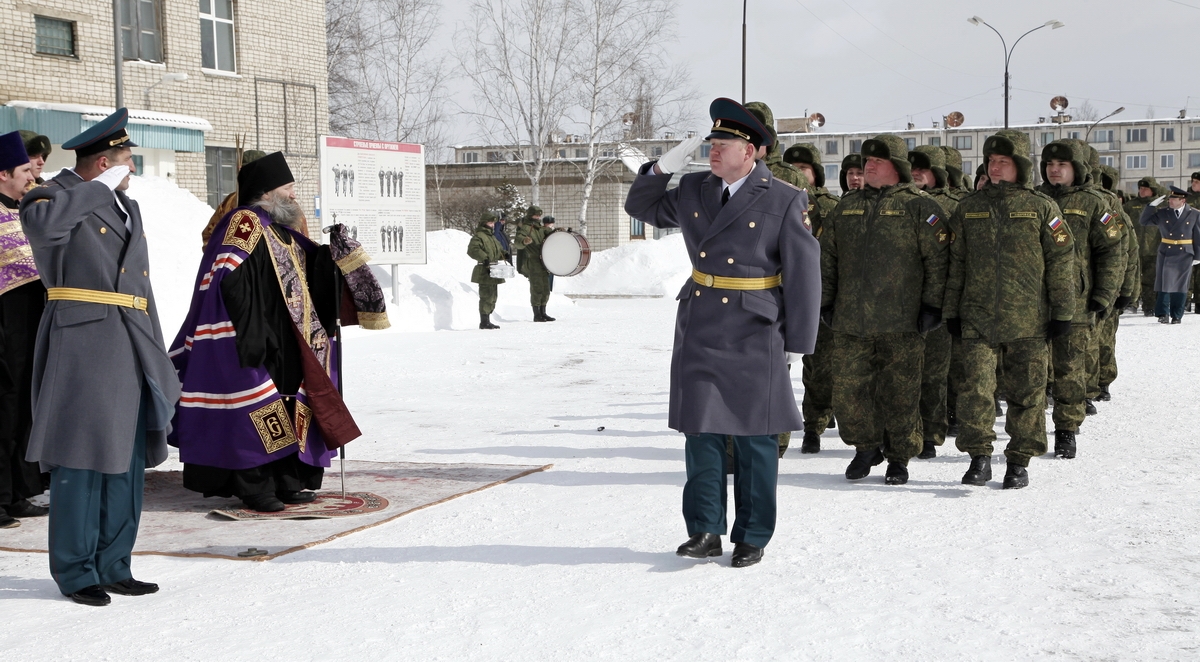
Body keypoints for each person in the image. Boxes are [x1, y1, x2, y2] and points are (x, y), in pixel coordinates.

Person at [624, 98, 820, 568]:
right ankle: (705, 529)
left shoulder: (783, 197)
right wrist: (663, 166)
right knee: (702, 433)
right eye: (711, 142)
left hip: (756, 326)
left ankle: (752, 535)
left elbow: (803, 272)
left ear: (750, 151)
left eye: (724, 143)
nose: (713, 150)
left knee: (755, 439)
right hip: (702, 319)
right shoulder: (694, 189)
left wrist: (798, 342)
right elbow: (641, 205)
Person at [20, 109, 182, 605]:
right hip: (84, 343)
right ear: (100, 164)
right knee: (81, 460)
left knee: (126, 462)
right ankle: (75, 570)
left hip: (130, 340)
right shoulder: (49, 196)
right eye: (124, 163)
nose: (129, 172)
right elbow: (45, 230)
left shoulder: (127, 208)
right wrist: (95, 190)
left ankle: (115, 563)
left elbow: (140, 287)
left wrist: (155, 348)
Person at [171, 152, 361, 513]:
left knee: (290, 402)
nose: (293, 195)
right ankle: (254, 485)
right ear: (268, 192)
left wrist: (332, 257)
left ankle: (287, 479)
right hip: (256, 334)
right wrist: (250, 326)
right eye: (288, 188)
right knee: (257, 410)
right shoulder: (244, 221)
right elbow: (227, 275)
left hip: (290, 335)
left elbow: (304, 268)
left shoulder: (278, 226)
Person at [943, 130, 1075, 489]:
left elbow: (1062, 261)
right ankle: (979, 458)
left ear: (1019, 166)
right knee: (975, 391)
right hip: (977, 317)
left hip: (1029, 320)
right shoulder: (968, 208)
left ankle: (1018, 460)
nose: (996, 167)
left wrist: (1063, 311)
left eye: (1004, 161)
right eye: (991, 161)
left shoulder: (1042, 207)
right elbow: (956, 264)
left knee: (1028, 392)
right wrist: (951, 310)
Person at [821, 134, 948, 485]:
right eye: (866, 161)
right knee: (847, 391)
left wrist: (932, 306)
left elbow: (938, 261)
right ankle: (866, 446)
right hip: (850, 319)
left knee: (901, 393)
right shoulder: (845, 208)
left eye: (877, 160)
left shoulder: (920, 207)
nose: (868, 166)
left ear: (898, 166)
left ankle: (899, 457)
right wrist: (826, 301)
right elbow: (826, 259)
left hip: (902, 321)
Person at [1036, 140, 1124, 456]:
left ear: (1077, 168)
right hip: (1032, 302)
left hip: (1076, 301)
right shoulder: (1034, 199)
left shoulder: (1094, 203)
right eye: (1049, 164)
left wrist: (1104, 294)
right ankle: (1029, 432)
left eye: (1062, 164)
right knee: (1033, 370)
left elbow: (1113, 250)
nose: (1054, 169)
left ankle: (1066, 428)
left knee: (1070, 369)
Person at [783, 143, 841, 454]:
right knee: (776, 370)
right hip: (779, 296)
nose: (797, 174)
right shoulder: (775, 200)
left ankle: (814, 426)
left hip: (818, 296)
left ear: (815, 175)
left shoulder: (829, 208)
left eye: (803, 169)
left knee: (820, 370)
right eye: (792, 168)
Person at [0, 132, 45, 529]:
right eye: (23, 171)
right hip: (3, 332)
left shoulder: (20, 211)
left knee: (20, 413)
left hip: (28, 329)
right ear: (2, 174)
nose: (30, 178)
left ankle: (17, 492)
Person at [908, 145, 963, 459]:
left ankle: (930, 433)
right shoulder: (902, 202)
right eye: (913, 168)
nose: (917, 174)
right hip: (901, 301)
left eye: (924, 169)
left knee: (934, 373)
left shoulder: (956, 206)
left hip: (940, 301)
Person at [1140, 186, 1200, 324]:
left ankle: (1177, 315)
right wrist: (1151, 206)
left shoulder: (1194, 214)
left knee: (1181, 285)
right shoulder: (1163, 212)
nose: (1170, 201)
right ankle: (1163, 314)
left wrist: (1198, 255)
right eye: (1170, 198)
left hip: (1185, 252)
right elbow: (1144, 221)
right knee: (1164, 283)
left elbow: (1198, 235)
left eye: (1174, 199)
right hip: (1167, 250)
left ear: (1182, 200)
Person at [1125, 177, 1167, 315]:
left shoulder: (1160, 206)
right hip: (1134, 248)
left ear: (1152, 190)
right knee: (1133, 277)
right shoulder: (1130, 205)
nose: (1142, 191)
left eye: (1145, 188)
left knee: (1151, 280)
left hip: (1154, 248)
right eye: (1140, 188)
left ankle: (1149, 306)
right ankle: (1132, 303)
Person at [469, 211, 508, 329]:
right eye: (490, 222)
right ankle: (484, 321)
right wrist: (484, 258)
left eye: (493, 223)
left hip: (494, 269)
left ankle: (488, 319)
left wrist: (505, 254)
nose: (492, 225)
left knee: (493, 296)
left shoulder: (491, 237)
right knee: (486, 295)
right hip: (484, 269)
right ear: (484, 223)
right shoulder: (479, 236)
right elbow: (472, 250)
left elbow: (499, 249)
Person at [516, 208, 556, 322]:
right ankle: (536, 314)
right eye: (535, 216)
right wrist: (524, 241)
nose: (537, 218)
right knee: (537, 288)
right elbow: (518, 241)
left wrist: (557, 231)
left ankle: (543, 312)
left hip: (544, 261)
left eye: (539, 216)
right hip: (533, 262)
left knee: (545, 288)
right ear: (530, 215)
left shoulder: (541, 229)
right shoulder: (526, 228)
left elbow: (551, 235)